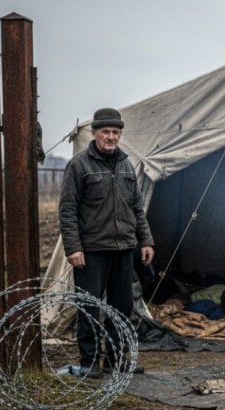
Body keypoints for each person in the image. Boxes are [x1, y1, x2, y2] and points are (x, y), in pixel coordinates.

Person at [59, 108, 155, 378]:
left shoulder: (126, 165)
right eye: (106, 132)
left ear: (120, 134)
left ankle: (116, 361)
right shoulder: (79, 166)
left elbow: (137, 208)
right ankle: (89, 364)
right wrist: (73, 247)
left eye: (115, 132)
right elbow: (67, 210)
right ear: (95, 133)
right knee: (89, 308)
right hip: (91, 252)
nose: (111, 137)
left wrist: (145, 240)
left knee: (122, 308)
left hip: (124, 249)